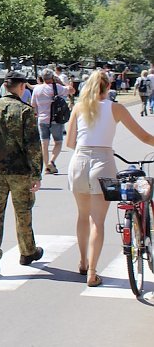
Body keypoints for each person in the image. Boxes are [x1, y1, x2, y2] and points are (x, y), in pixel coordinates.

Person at [65, 71, 154, 287]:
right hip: (103, 161)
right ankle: (93, 273)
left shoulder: (79, 107)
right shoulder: (116, 108)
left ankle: (83, 262)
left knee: (82, 216)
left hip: (79, 160)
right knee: (98, 220)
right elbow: (143, 136)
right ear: (109, 86)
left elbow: (69, 142)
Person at [0, 71, 44, 278]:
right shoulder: (25, 111)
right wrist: (36, 173)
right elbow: (33, 145)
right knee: (23, 212)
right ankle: (27, 251)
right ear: (22, 87)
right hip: (19, 170)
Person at [30, 68, 74, 175]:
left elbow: (33, 105)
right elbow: (72, 90)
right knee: (58, 142)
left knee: (44, 143)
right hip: (55, 119)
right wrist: (62, 82)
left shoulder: (37, 89)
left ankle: (47, 167)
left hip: (41, 119)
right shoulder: (57, 87)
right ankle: (52, 161)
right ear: (52, 77)